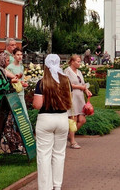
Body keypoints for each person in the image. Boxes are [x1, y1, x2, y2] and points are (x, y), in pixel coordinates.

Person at [33, 54, 72, 190]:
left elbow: (38, 105)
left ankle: (45, 187)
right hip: (62, 118)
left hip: (46, 118)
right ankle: (57, 185)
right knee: (59, 153)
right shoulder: (66, 81)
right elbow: (69, 102)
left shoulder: (42, 82)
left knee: (44, 154)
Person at [65, 53, 92, 148]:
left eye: (80, 61)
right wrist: (79, 87)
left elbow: (83, 84)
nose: (79, 63)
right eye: (78, 61)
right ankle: (72, 141)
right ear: (72, 62)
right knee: (74, 119)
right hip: (72, 97)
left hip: (80, 98)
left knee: (82, 120)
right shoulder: (67, 71)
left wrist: (87, 91)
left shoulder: (79, 72)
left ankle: (69, 136)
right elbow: (67, 84)